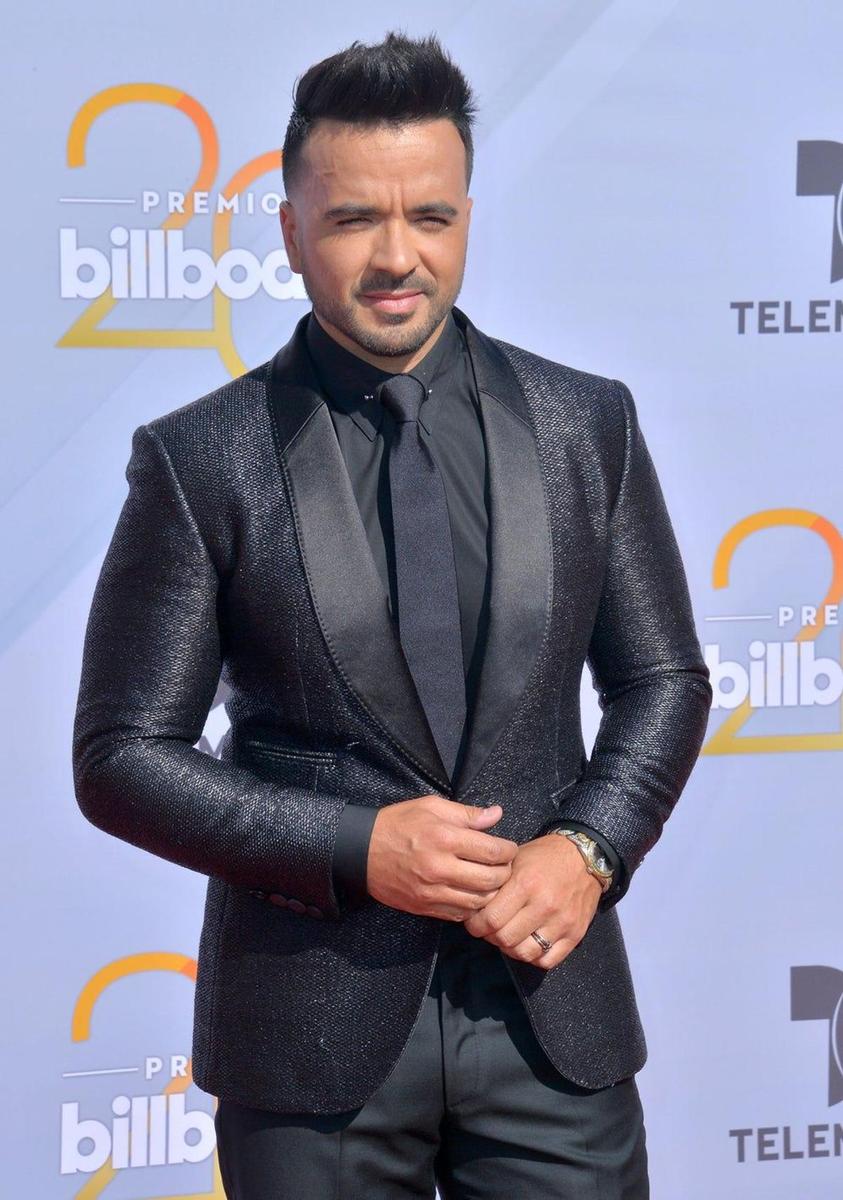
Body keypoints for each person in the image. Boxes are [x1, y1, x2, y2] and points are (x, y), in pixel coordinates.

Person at [72, 29, 713, 1199]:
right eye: (355, 218)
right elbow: (120, 756)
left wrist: (590, 847)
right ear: (290, 231)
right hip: (309, 1044)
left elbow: (664, 680)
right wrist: (355, 848)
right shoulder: (200, 459)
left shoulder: (587, 425)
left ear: (467, 215)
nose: (396, 257)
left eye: (430, 216)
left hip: (549, 1024)